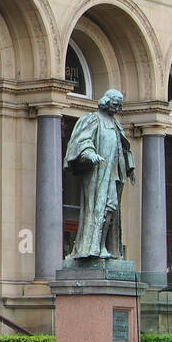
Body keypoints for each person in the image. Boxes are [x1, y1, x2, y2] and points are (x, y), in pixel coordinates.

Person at [64, 89, 135, 262]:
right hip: (98, 174)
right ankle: (95, 247)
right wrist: (89, 153)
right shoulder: (92, 119)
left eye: (120, 104)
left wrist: (130, 167)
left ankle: (103, 246)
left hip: (114, 174)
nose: (117, 107)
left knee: (111, 208)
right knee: (99, 208)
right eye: (115, 103)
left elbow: (124, 148)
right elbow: (82, 141)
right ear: (106, 101)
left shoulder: (116, 124)